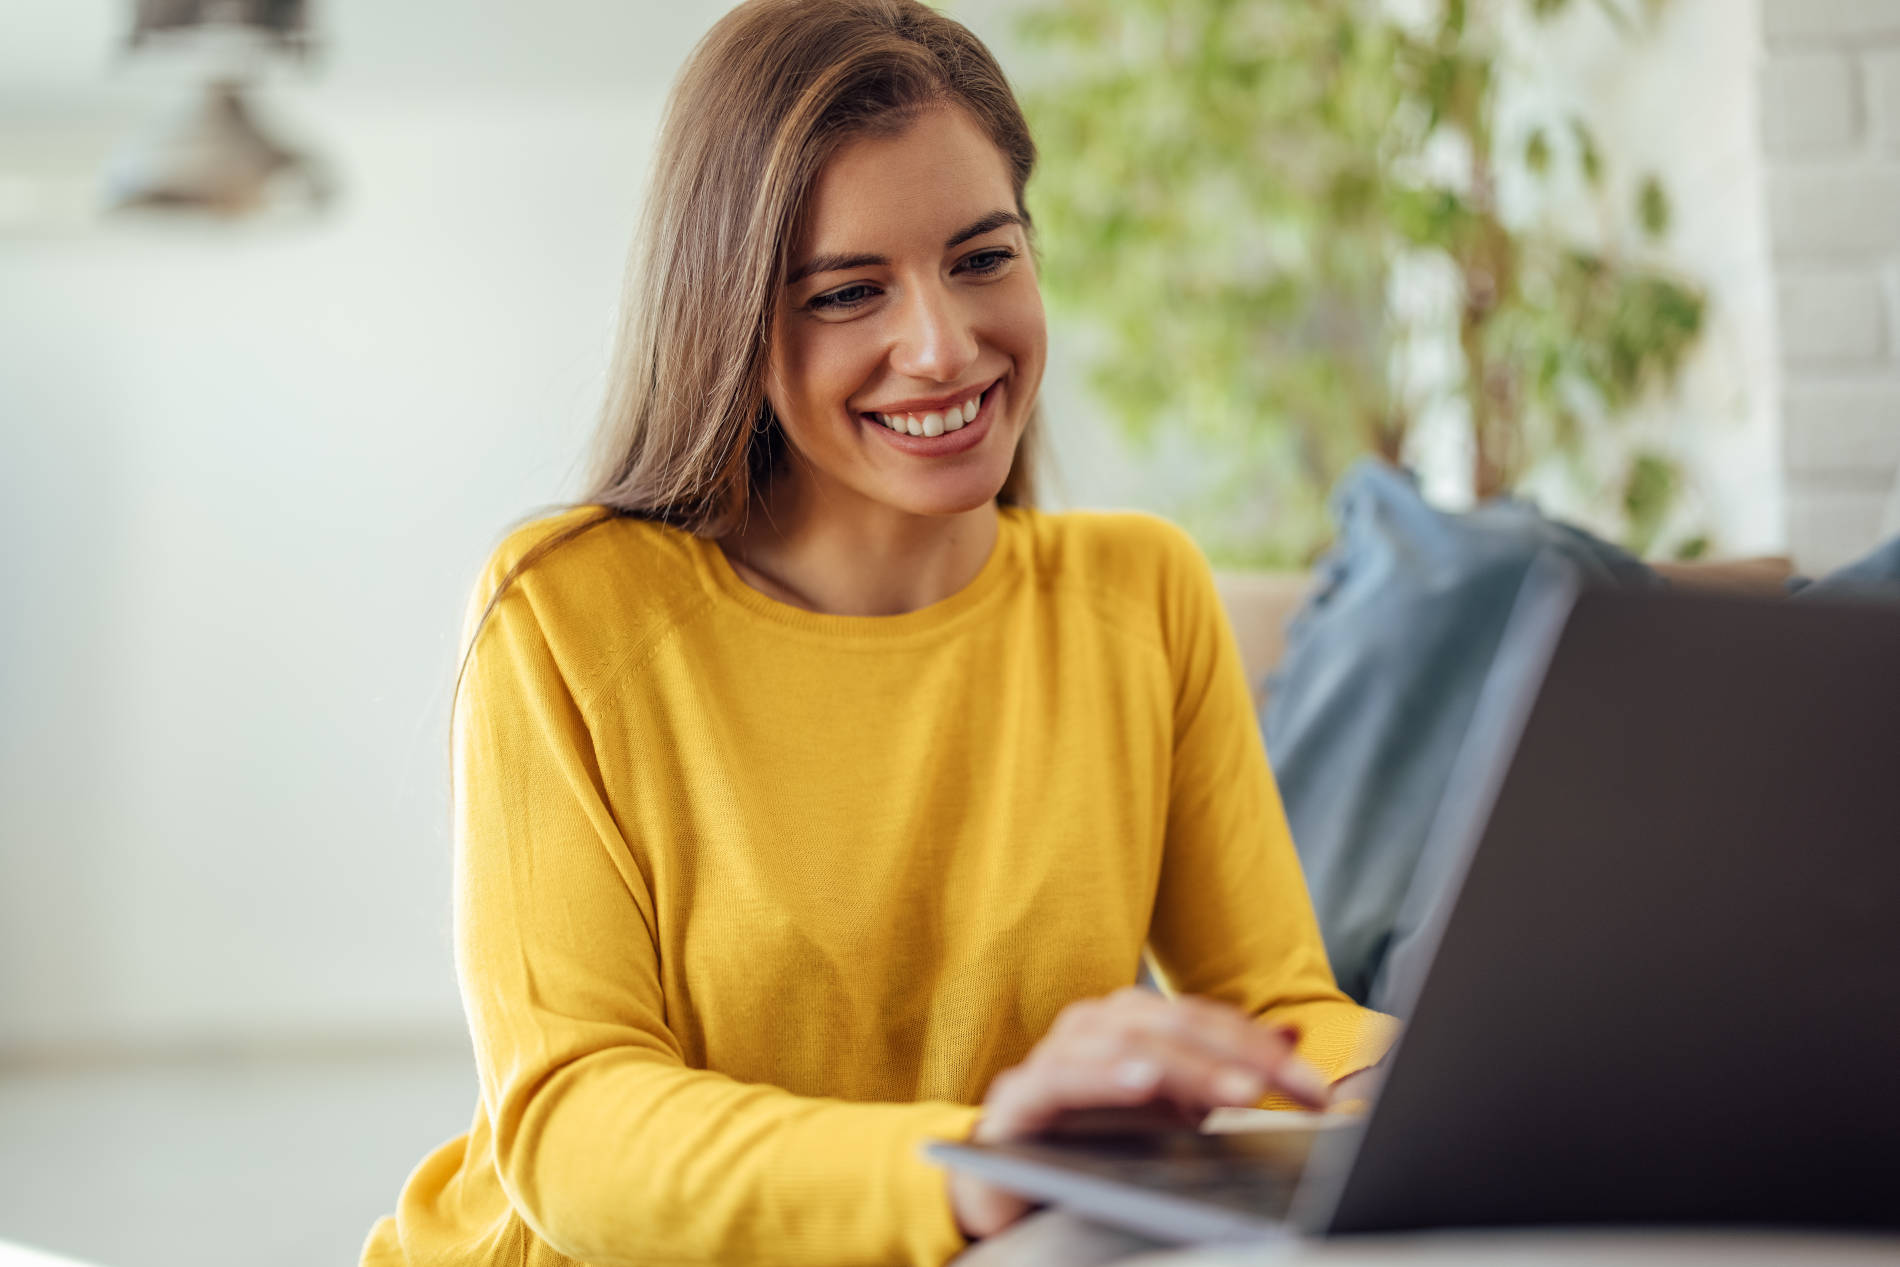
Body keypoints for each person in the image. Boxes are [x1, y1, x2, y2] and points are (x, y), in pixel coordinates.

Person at [360, 2, 1396, 1264]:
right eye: (850, 292)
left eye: (982, 258)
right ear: (734, 323)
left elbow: (1276, 1007)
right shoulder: (570, 610)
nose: (943, 346)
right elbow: (572, 1126)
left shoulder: (1140, 595)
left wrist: (1418, 1085)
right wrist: (974, 1167)